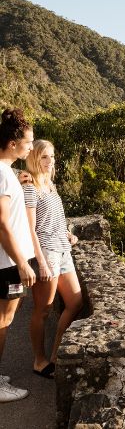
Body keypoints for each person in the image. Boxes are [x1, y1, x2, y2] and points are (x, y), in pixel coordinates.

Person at [24, 139, 82, 379]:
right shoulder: (30, 186)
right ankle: (39, 360)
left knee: (75, 302)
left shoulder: (50, 185)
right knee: (43, 310)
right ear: (35, 158)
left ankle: (57, 353)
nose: (50, 162)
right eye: (45, 157)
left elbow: (55, 217)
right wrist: (41, 261)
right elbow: (30, 228)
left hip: (62, 248)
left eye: (52, 157)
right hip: (46, 252)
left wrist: (68, 233)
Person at [0, 108, 36, 402]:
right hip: (8, 263)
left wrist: (18, 181)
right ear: (12, 143)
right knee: (3, 320)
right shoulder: (1, 173)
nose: (31, 147)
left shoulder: (5, 172)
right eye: (28, 142)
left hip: (9, 261)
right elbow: (1, 224)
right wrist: (23, 262)